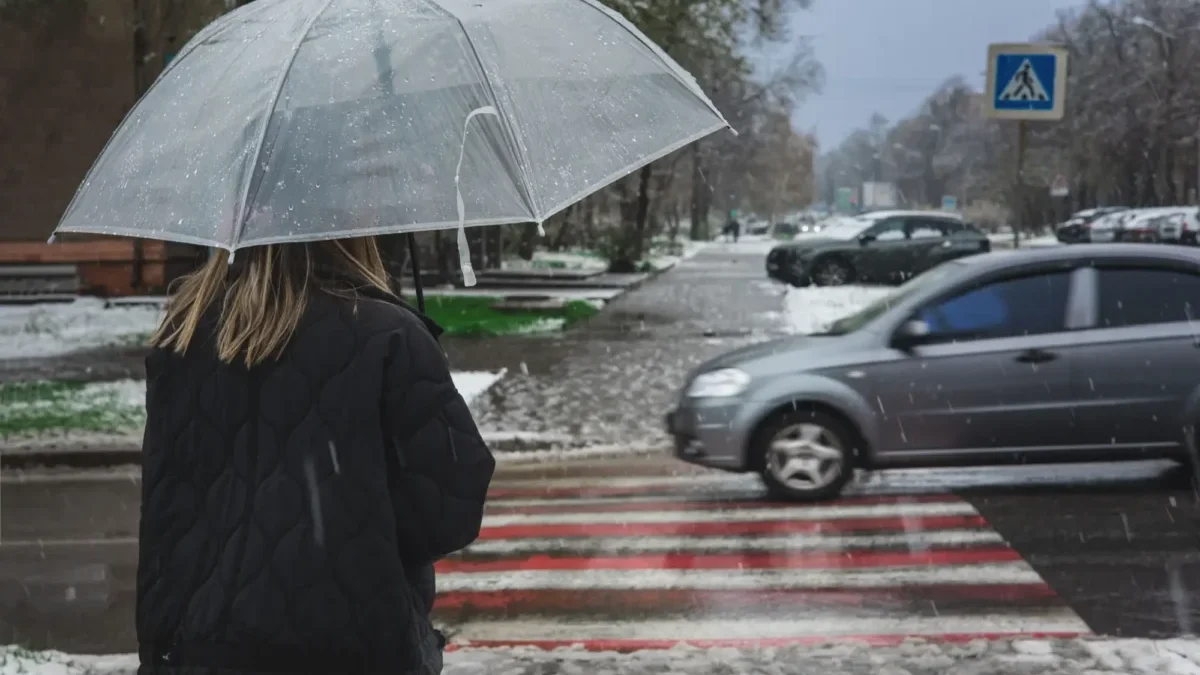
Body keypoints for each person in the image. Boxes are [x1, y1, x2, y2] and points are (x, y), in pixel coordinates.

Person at [138, 237, 494, 675]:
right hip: (353, 645)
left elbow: (165, 510)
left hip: (202, 647)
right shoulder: (386, 334)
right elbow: (449, 513)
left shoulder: (186, 331)